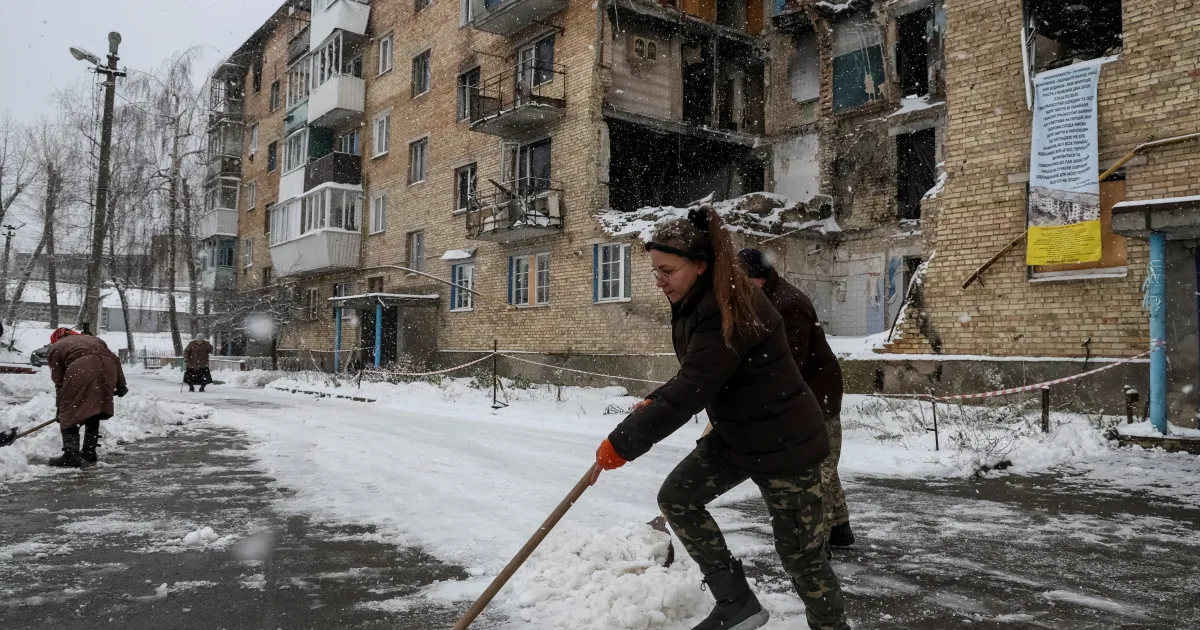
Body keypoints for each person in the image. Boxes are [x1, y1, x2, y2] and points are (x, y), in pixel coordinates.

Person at [594, 207, 849, 630]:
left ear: (699, 265)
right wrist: (652, 403)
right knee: (678, 497)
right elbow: (697, 373)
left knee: (801, 558)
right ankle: (736, 602)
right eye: (655, 271)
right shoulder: (698, 297)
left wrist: (622, 442)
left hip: (786, 444)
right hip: (737, 436)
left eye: (666, 271)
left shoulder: (731, 307)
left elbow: (693, 387)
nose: (659, 281)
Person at [738, 248, 853, 548]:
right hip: (803, 392)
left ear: (759, 278)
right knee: (823, 464)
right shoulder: (766, 298)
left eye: (742, 282)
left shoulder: (789, 305)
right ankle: (840, 528)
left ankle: (818, 545)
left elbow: (789, 363)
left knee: (817, 470)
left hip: (816, 396)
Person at [47, 328, 127, 467]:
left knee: (70, 412)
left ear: (55, 339)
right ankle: (89, 451)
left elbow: (59, 381)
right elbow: (114, 358)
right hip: (108, 370)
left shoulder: (56, 347)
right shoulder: (95, 340)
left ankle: (71, 455)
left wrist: (61, 407)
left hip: (81, 369)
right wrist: (121, 384)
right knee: (95, 408)